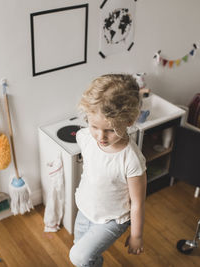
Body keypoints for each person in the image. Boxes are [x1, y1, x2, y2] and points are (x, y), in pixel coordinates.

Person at [69, 74, 147, 267]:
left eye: (110, 130)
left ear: (129, 121)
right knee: (84, 254)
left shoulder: (131, 160)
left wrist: (136, 235)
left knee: (78, 257)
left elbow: (137, 203)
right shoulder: (85, 137)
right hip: (85, 209)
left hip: (113, 219)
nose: (101, 136)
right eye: (94, 126)